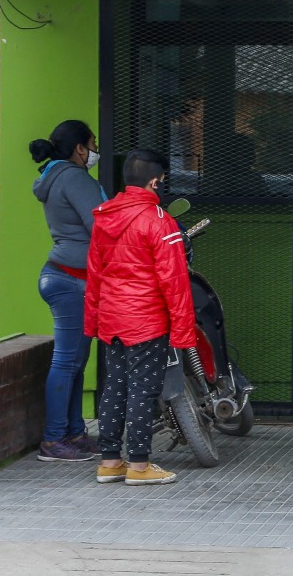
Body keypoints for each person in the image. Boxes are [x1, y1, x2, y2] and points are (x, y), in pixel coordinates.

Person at [84, 149, 196, 485]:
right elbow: (174, 282)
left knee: (114, 387)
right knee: (143, 391)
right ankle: (139, 465)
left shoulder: (104, 217)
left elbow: (94, 275)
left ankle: (109, 461)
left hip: (112, 320)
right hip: (146, 321)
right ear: (155, 181)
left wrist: (93, 321)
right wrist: (183, 332)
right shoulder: (160, 221)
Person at [30, 120, 106, 463]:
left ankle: (74, 433)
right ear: (79, 148)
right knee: (67, 361)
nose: (93, 151)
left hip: (67, 277)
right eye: (91, 143)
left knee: (76, 360)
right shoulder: (74, 178)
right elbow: (100, 226)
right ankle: (54, 439)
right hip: (70, 279)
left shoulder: (54, 176)